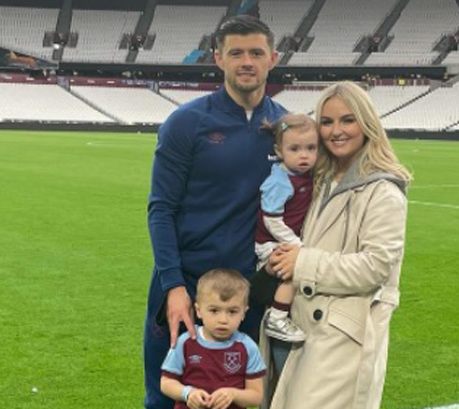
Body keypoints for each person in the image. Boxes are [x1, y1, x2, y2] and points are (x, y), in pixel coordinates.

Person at [144, 15, 285, 409]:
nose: (246, 61)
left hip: (251, 293)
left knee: (244, 399)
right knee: (165, 396)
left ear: (273, 58)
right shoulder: (187, 123)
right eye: (236, 52)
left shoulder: (286, 129)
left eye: (256, 53)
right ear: (218, 58)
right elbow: (161, 209)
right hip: (185, 285)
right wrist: (173, 286)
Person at [267, 81, 411, 409]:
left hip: (342, 338)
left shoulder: (383, 191)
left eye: (348, 120)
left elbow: (375, 267)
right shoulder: (322, 179)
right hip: (303, 327)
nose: (336, 131)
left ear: (367, 123)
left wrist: (301, 263)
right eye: (327, 122)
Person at [160, 269, 266, 409]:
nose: (223, 320)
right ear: (198, 310)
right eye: (214, 311)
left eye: (232, 311)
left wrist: (233, 394)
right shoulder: (185, 342)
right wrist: (188, 393)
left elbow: (256, 396)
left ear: (243, 313)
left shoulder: (247, 347)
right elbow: (166, 383)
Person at [255, 113, 318, 343]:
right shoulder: (280, 181)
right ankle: (277, 317)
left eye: (311, 148)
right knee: (291, 272)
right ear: (279, 151)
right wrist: (296, 244)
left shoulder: (302, 174)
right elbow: (271, 220)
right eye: (295, 149)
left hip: (283, 237)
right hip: (269, 242)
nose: (304, 155)